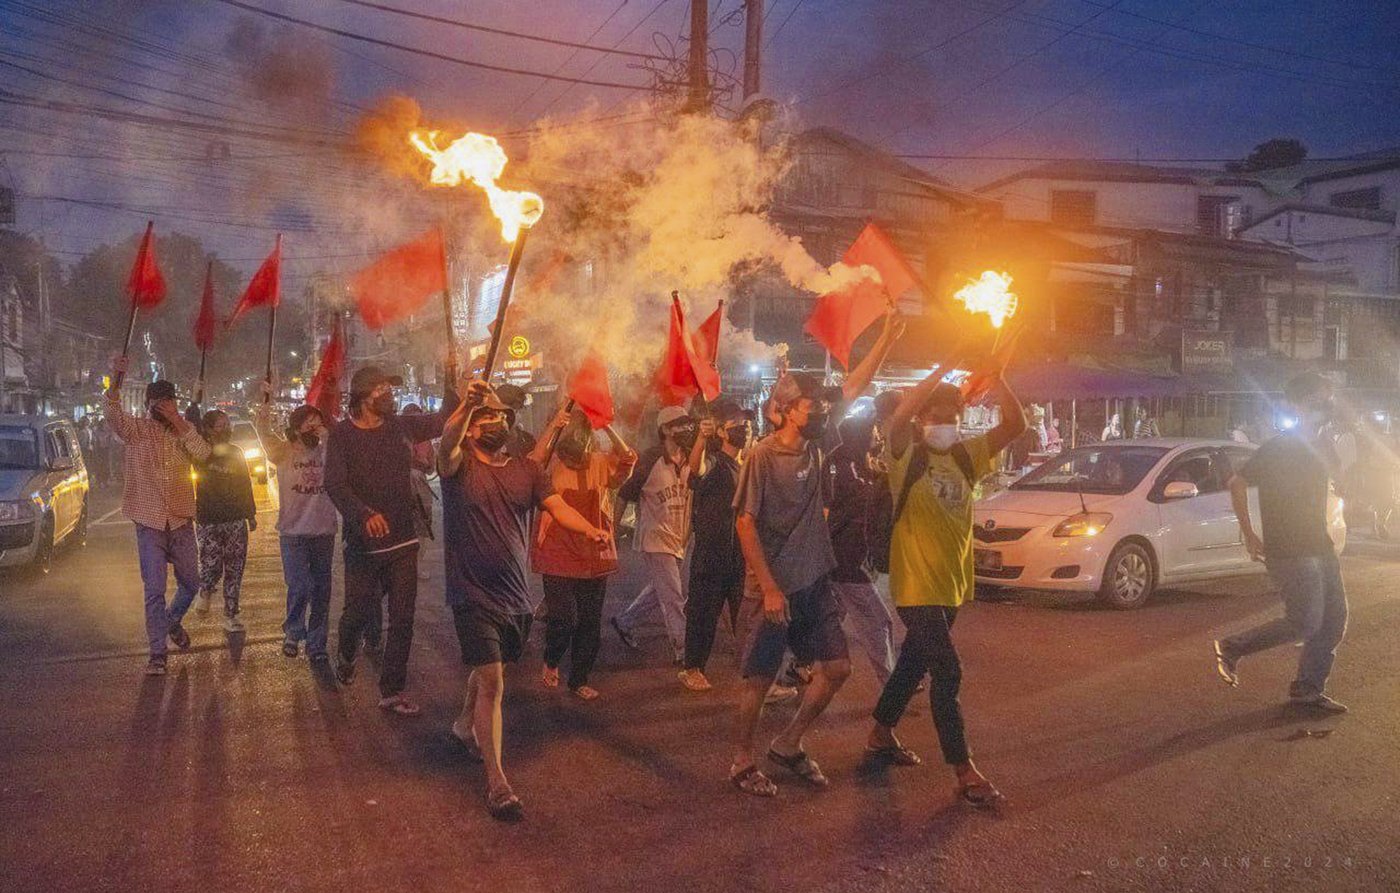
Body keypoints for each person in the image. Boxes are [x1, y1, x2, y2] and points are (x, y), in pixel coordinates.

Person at [729, 311, 902, 796]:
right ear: (785, 411)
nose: (821, 413)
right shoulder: (762, 455)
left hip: (813, 583)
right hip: (773, 590)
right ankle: (742, 760)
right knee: (759, 682)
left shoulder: (819, 444)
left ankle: (788, 743)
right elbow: (744, 523)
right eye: (810, 406)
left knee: (838, 670)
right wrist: (767, 587)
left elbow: (853, 386)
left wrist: (886, 334)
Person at [438, 382, 609, 820]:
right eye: (484, 418)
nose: (493, 422)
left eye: (498, 416)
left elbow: (556, 507)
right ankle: (496, 781)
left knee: (487, 670)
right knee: (494, 681)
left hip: (516, 596)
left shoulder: (527, 470)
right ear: (472, 429)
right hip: (471, 592)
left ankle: (463, 726)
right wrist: (465, 407)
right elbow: (446, 446)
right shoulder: (458, 468)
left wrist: (586, 529)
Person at [864, 364, 1027, 807]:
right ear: (921, 420)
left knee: (914, 663)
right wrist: (943, 365)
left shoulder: (965, 456)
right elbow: (899, 420)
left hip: (952, 583)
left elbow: (1016, 425)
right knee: (948, 671)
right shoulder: (905, 454)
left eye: (952, 418)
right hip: (914, 584)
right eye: (936, 417)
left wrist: (998, 377)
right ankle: (964, 770)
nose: (945, 425)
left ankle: (880, 733)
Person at [1213, 372, 1349, 715]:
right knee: (1304, 621)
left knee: (1333, 621)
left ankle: (1307, 689)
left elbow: (1338, 476)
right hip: (1290, 550)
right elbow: (1237, 483)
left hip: (1320, 545)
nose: (1327, 405)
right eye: (1320, 399)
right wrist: (1249, 533)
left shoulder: (1322, 443)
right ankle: (1232, 647)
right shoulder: (1280, 445)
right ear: (1300, 404)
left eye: (1329, 399)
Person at [324, 365, 456, 715]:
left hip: (403, 540)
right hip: (364, 545)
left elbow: (444, 419)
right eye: (384, 389)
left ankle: (392, 690)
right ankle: (347, 651)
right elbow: (335, 485)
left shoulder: (401, 426)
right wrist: (364, 514)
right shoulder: (342, 436)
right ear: (366, 397)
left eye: (390, 389)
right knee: (358, 610)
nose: (391, 395)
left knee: (402, 617)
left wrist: (451, 379)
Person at [103, 356, 211, 676]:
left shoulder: (184, 430)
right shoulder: (137, 430)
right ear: (149, 404)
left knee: (192, 582)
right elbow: (113, 414)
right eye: (159, 403)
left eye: (169, 402)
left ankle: (172, 620)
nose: (164, 407)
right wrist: (116, 379)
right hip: (149, 520)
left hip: (179, 519)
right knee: (154, 589)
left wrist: (178, 421)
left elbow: (203, 453)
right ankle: (157, 653)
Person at [533, 405, 636, 700]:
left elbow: (628, 459)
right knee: (563, 617)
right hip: (557, 551)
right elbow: (534, 460)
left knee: (590, 621)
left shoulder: (600, 462)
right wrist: (555, 424)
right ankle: (552, 660)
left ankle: (579, 679)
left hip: (595, 551)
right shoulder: (550, 464)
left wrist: (605, 425)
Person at [253, 394, 338, 664]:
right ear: (297, 427)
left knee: (322, 591)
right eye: (309, 425)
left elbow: (339, 459)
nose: (315, 429)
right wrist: (265, 401)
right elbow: (263, 431)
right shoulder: (284, 451)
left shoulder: (329, 450)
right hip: (292, 533)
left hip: (323, 531)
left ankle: (317, 644)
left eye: (318, 424)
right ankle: (293, 630)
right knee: (300, 585)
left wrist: (326, 437)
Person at [611, 405, 696, 663]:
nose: (686, 429)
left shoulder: (692, 457)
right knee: (673, 596)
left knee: (661, 590)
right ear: (665, 430)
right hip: (655, 537)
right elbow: (624, 494)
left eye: (687, 424)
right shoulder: (649, 460)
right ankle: (684, 652)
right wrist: (613, 529)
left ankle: (625, 621)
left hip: (680, 537)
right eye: (679, 425)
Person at [678, 400, 750, 692]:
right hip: (711, 554)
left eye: (746, 425)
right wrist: (701, 439)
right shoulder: (715, 462)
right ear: (721, 432)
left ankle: (757, 676)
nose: (744, 430)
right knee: (703, 615)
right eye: (737, 426)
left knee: (746, 618)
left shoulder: (745, 465)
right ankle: (692, 668)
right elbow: (695, 470)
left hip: (739, 556)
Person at [824, 414, 896, 686]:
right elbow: (858, 495)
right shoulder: (845, 466)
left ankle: (792, 666)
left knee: (828, 618)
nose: (877, 437)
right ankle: (892, 682)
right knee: (879, 621)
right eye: (873, 432)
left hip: (854, 560)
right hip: (847, 562)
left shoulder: (866, 467)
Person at [192, 410, 257, 632]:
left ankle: (231, 614)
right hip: (208, 518)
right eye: (220, 425)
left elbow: (244, 484)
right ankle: (206, 589)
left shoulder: (236, 452)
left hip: (235, 518)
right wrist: (194, 402)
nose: (226, 429)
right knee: (211, 563)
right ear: (208, 429)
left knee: (235, 567)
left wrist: (250, 514)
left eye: (227, 424)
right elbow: (189, 426)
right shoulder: (200, 453)